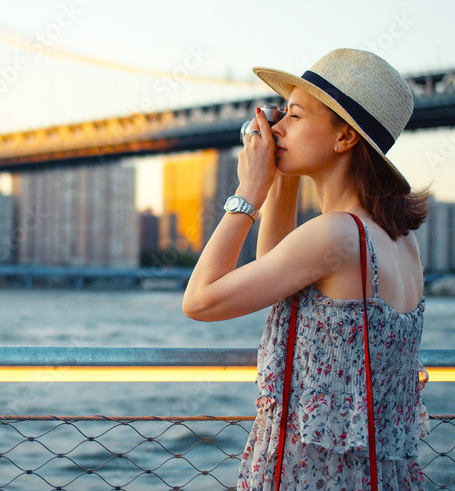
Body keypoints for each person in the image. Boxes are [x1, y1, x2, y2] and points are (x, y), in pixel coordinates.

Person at [182, 49, 430, 490]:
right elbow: (277, 276)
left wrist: (250, 192)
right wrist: (284, 177)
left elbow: (200, 301)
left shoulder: (335, 234)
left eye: (294, 116)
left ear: (344, 139)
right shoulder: (398, 240)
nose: (275, 127)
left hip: (307, 474)